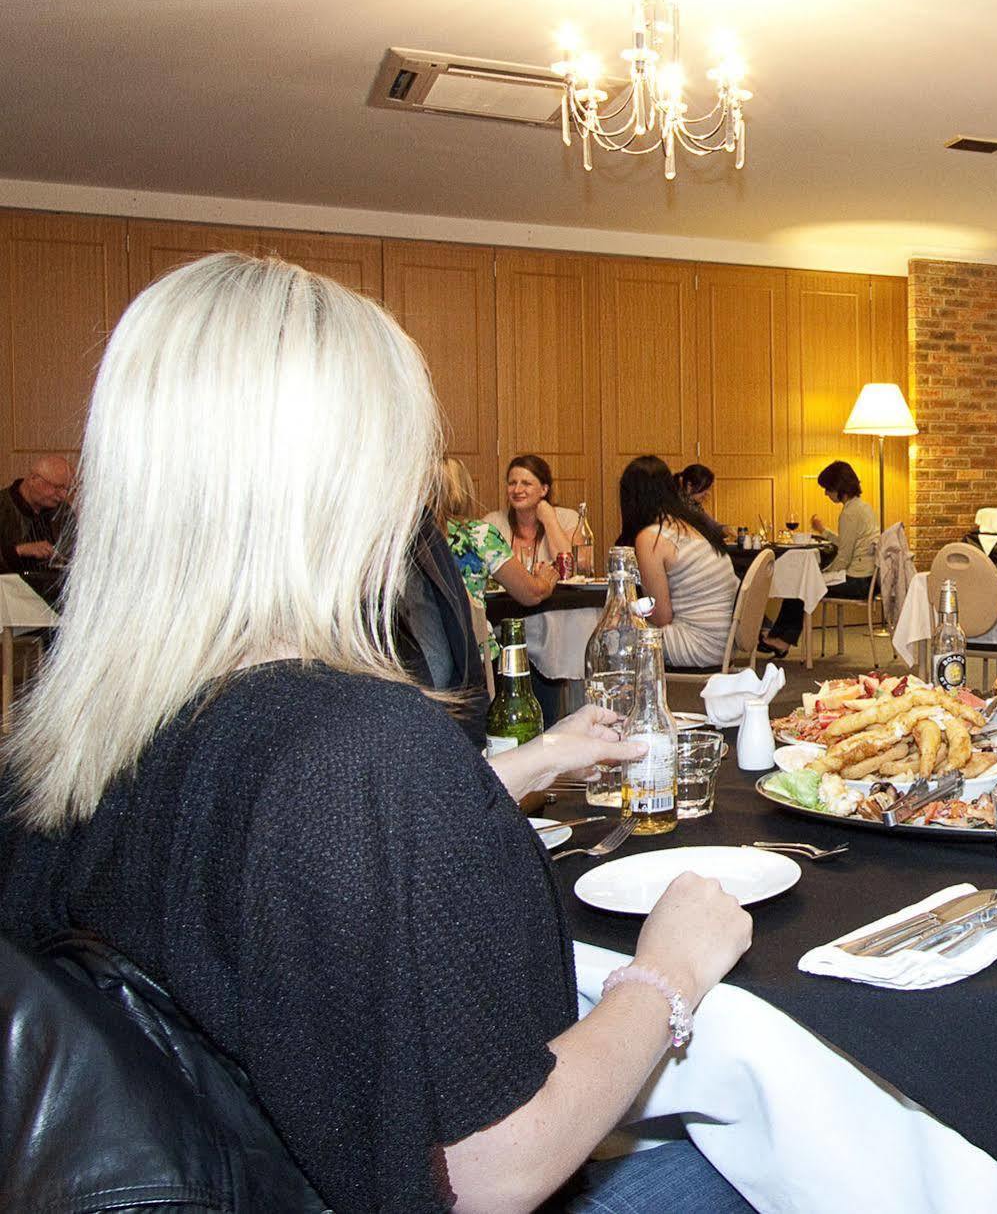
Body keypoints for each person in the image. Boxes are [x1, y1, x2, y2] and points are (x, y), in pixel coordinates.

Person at [0, 253, 752, 1212]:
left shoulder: (56, 746)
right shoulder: (360, 747)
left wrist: (527, 764)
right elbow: (490, 1173)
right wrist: (667, 973)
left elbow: (248, 867)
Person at [617, 455, 738, 669]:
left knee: (610, 633)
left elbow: (661, 616)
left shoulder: (652, 537)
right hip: (725, 641)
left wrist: (627, 608)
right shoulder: (694, 525)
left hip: (696, 644)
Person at [760, 460, 878, 657]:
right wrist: (823, 531)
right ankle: (780, 637)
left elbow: (843, 558)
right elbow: (847, 543)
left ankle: (781, 640)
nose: (826, 494)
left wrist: (819, 574)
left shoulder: (849, 513)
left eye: (828, 489)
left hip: (857, 581)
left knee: (801, 585)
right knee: (805, 582)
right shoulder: (863, 507)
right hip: (869, 578)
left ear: (838, 487)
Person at [439, 456, 556, 650]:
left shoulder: (409, 535)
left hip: (423, 656)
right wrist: (545, 581)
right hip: (472, 654)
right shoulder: (478, 534)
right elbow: (531, 594)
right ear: (463, 490)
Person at [484, 452, 577, 568]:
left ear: (544, 489)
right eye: (512, 483)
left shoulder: (569, 519)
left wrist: (550, 520)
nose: (517, 490)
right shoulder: (492, 523)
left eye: (526, 483)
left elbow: (570, 568)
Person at [1, 454, 72, 573]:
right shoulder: (3, 507)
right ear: (33, 479)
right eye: (57, 487)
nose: (63, 496)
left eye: (67, 489)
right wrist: (19, 551)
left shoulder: (63, 511)